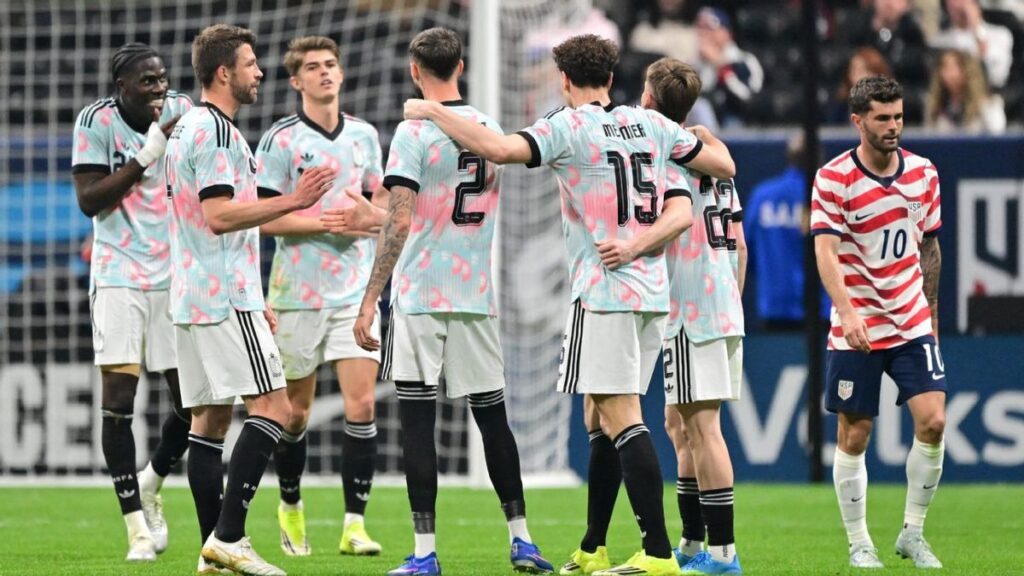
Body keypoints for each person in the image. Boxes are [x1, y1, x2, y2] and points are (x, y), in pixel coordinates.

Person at [404, 34, 736, 576]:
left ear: (564, 79)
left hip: (605, 289)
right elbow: (721, 166)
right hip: (653, 294)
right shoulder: (649, 123)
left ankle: (657, 553)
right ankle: (594, 545)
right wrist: (700, 136)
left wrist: (432, 110)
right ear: (611, 78)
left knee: (622, 416)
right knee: (598, 415)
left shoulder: (567, 126)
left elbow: (499, 150)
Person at [350, 27, 553, 576]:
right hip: (474, 293)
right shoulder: (488, 128)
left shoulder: (414, 130)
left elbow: (401, 219)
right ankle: (522, 540)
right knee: (493, 420)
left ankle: (424, 554)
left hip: (420, 293)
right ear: (460, 66)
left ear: (415, 71)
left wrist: (370, 299)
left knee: (418, 423)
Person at [164, 24, 334, 576]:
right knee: (277, 410)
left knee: (208, 422)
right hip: (222, 296)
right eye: (250, 63)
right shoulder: (215, 131)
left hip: (192, 293)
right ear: (224, 72)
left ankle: (212, 554)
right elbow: (219, 217)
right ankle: (230, 537)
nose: (259, 72)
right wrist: (295, 200)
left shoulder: (188, 127)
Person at [256, 35, 387, 558]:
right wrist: (321, 222)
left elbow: (379, 206)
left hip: (354, 290)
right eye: (312, 67)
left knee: (362, 404)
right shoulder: (280, 140)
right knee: (294, 414)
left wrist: (367, 219)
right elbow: (263, 218)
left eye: (330, 64)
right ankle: (290, 504)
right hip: (297, 292)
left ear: (341, 73)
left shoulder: (365, 136)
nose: (324, 72)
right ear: (296, 80)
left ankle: (355, 526)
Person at [811, 76, 946, 570]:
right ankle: (859, 543)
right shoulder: (834, 178)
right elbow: (825, 251)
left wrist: (931, 317)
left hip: (910, 319)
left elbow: (929, 249)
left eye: (899, 117)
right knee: (855, 435)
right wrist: (847, 312)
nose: (893, 126)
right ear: (858, 121)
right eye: (883, 118)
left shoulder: (924, 174)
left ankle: (913, 533)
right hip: (859, 324)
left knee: (934, 421)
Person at [71, 42, 192, 562]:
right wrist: (146, 154)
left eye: (162, 78)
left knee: (192, 404)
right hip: (119, 272)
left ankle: (152, 481)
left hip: (174, 275)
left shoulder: (184, 111)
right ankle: (136, 530)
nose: (159, 89)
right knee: (119, 402)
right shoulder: (96, 121)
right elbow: (89, 201)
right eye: (147, 81)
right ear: (121, 87)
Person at [744, 134, 831, 330]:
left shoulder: (762, 196)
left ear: (790, 157)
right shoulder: (828, 196)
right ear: (819, 158)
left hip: (776, 309)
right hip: (820, 311)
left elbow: (745, 252)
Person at [694, 7, 763, 127]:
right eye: (701, 29)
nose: (705, 35)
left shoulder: (744, 60)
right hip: (704, 124)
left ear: (727, 33)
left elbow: (749, 99)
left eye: (711, 29)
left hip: (739, 121)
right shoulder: (696, 64)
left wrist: (721, 67)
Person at [925, 49, 1006, 134]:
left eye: (954, 67)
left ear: (968, 71)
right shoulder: (935, 106)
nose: (948, 74)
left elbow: (997, 137)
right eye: (944, 67)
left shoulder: (989, 105)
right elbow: (928, 136)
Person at [827, 47, 892, 125]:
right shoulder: (840, 109)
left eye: (862, 71)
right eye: (853, 71)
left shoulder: (894, 107)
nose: (856, 77)